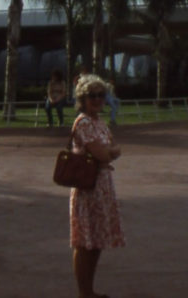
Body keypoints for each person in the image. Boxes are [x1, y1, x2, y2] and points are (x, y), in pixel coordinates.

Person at [69, 73, 125, 298]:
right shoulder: (83, 122)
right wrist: (109, 153)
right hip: (88, 188)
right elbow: (104, 153)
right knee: (85, 243)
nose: (97, 100)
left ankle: (89, 290)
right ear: (82, 98)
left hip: (102, 186)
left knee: (97, 240)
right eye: (92, 95)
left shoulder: (98, 122)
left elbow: (112, 149)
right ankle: (83, 291)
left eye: (101, 95)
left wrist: (109, 153)